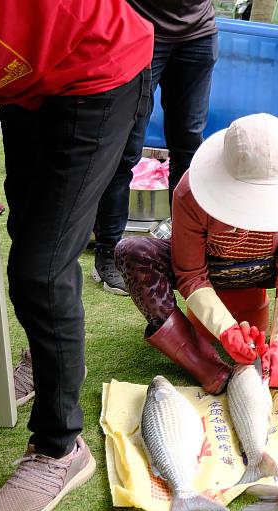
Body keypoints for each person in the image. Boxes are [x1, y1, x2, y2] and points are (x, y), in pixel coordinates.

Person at [0, 1, 153, 511]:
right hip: (27, 85)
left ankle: (61, 447)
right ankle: (45, 363)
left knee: (41, 266)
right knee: (29, 232)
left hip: (97, 72)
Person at [115, 114, 278, 392]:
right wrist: (226, 329)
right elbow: (190, 274)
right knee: (132, 251)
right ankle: (205, 364)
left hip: (265, 266)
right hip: (208, 267)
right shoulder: (191, 191)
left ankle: (276, 357)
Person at [91, 0, 219, 295]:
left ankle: (185, 250)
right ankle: (108, 253)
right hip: (139, 30)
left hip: (198, 34)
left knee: (188, 145)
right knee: (125, 149)